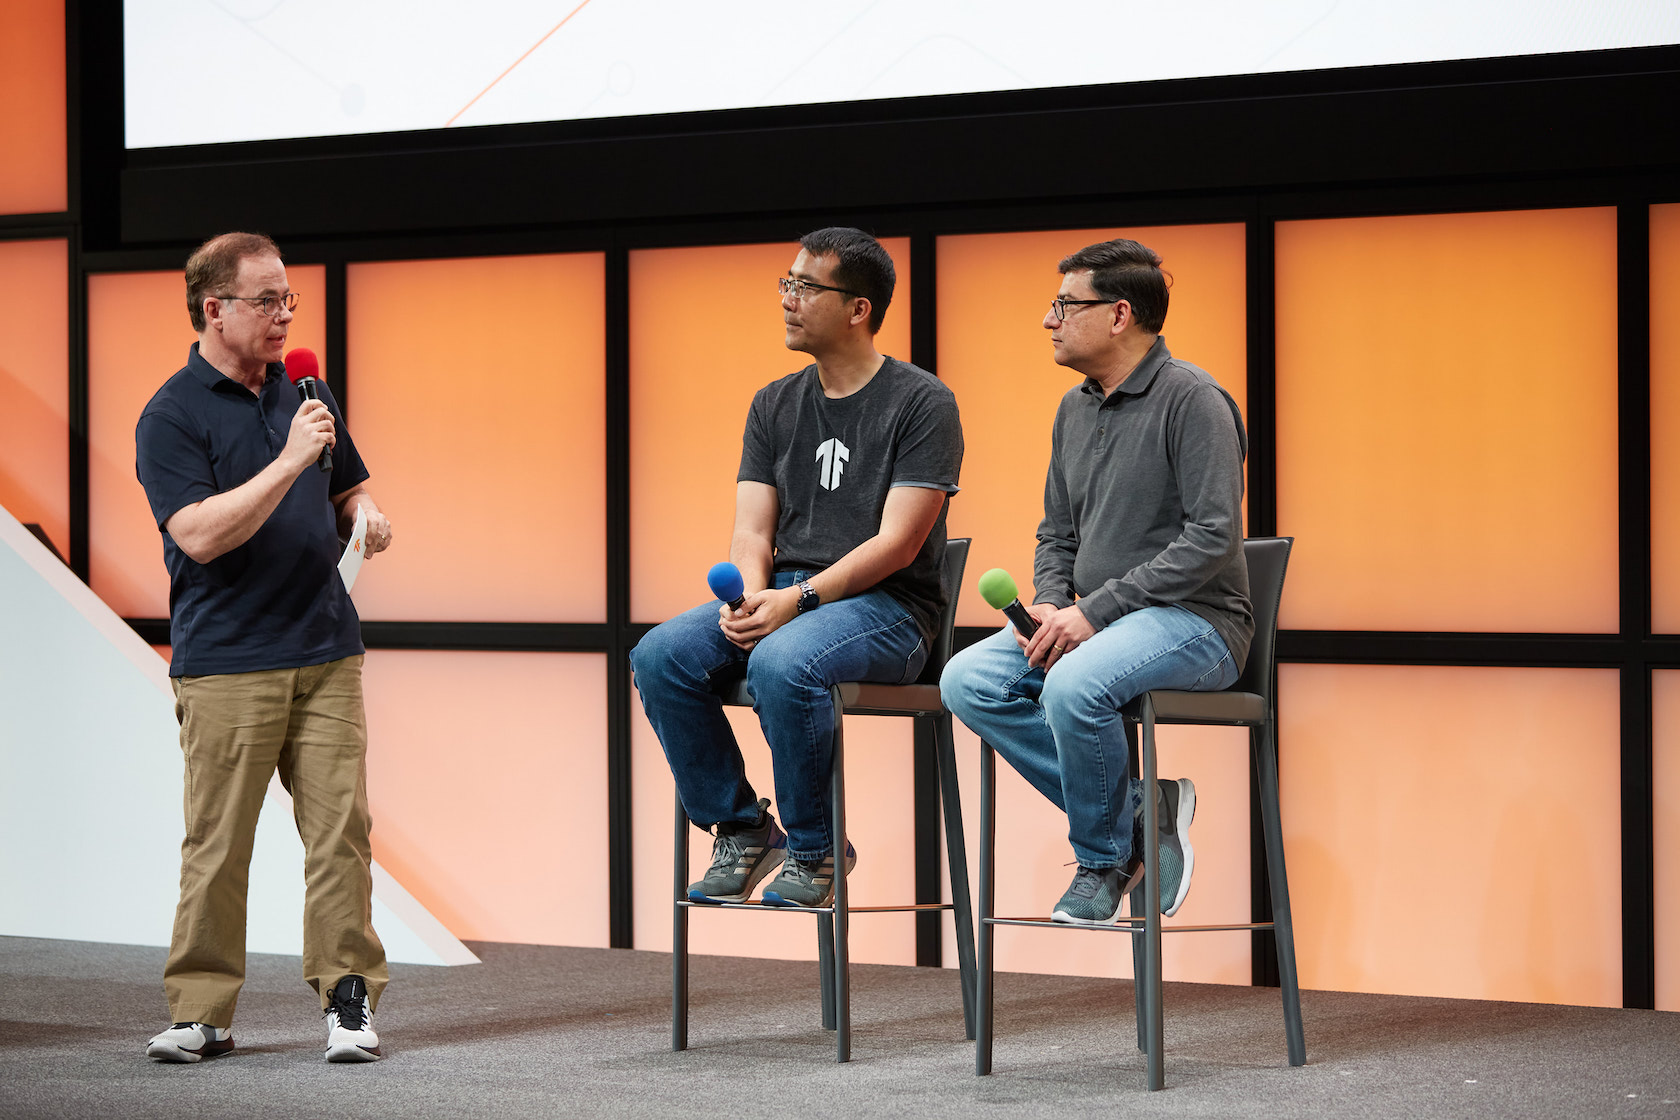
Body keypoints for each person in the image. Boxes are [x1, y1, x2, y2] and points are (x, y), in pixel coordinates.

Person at [631, 227, 962, 908]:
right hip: (789, 595)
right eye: (787, 283)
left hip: (890, 610)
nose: (787, 299)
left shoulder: (922, 401)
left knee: (783, 663)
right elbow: (752, 530)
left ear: (858, 308)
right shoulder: (774, 402)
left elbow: (898, 544)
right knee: (660, 656)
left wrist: (798, 601)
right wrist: (752, 599)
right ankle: (743, 827)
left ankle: (816, 849)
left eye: (806, 287)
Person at [940, 238, 1251, 926]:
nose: (1049, 320)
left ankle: (1105, 858)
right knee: (968, 680)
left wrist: (1096, 612)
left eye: (1064, 305)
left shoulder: (1194, 399)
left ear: (1118, 315)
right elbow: (1057, 533)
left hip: (1199, 624)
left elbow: (1211, 537)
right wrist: (1051, 602)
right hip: (1108, 622)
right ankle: (1141, 808)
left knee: (1074, 684)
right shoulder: (1073, 409)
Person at [136, 232, 393, 1063]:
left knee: (341, 835)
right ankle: (202, 1012)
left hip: (326, 649)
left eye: (289, 300)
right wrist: (287, 461)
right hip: (228, 660)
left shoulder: (306, 392)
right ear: (214, 309)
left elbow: (348, 485)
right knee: (219, 843)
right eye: (266, 301)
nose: (284, 315)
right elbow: (199, 534)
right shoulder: (171, 415)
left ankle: (348, 999)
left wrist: (365, 516)